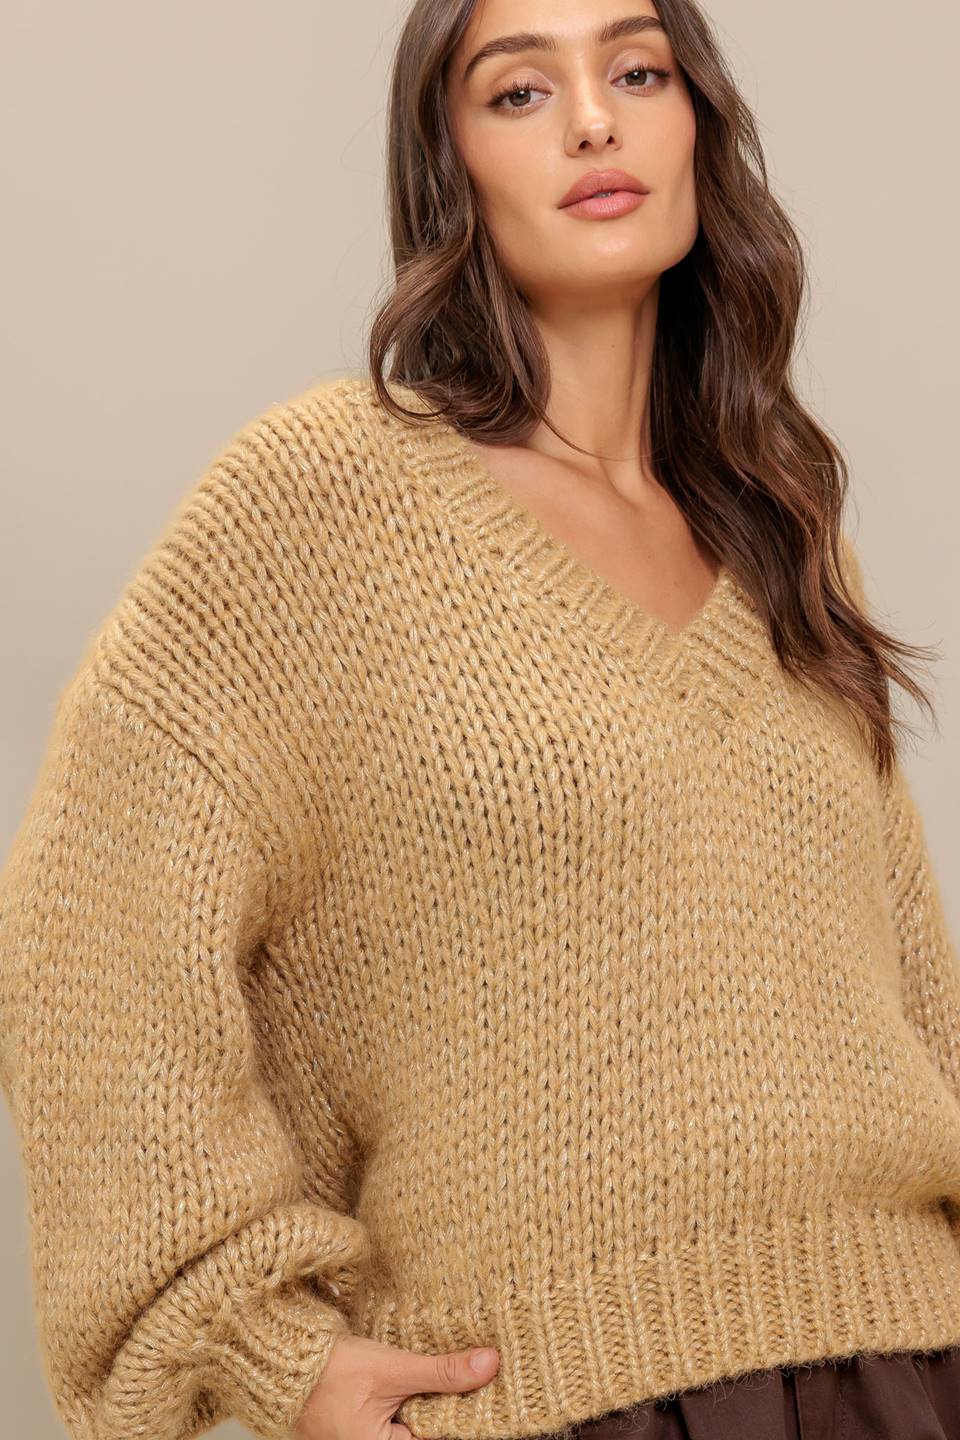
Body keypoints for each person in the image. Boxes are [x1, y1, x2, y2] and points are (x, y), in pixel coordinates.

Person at [2, 0, 960, 1438]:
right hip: (562, 1394)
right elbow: (90, 924)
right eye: (519, 92)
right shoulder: (319, 503)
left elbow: (912, 996)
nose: (594, 119)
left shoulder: (783, 531)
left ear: (697, 123)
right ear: (446, 162)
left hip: (909, 1366)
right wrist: (269, 1350)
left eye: (637, 71)